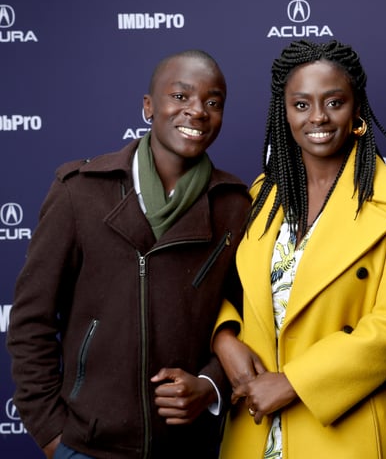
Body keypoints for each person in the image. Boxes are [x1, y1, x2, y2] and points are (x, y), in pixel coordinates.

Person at [6, 49, 251, 459]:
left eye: (213, 102)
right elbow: (32, 320)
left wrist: (209, 385)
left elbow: (249, 320)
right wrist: (52, 435)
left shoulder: (235, 206)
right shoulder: (79, 192)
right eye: (181, 96)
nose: (197, 111)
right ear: (148, 106)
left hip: (190, 447)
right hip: (88, 446)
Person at [210, 39, 386, 459]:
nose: (318, 118)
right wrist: (224, 338)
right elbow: (221, 288)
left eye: (334, 102)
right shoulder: (263, 196)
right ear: (284, 113)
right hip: (254, 428)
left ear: (357, 110)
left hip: (346, 427)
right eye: (301, 104)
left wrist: (294, 382)